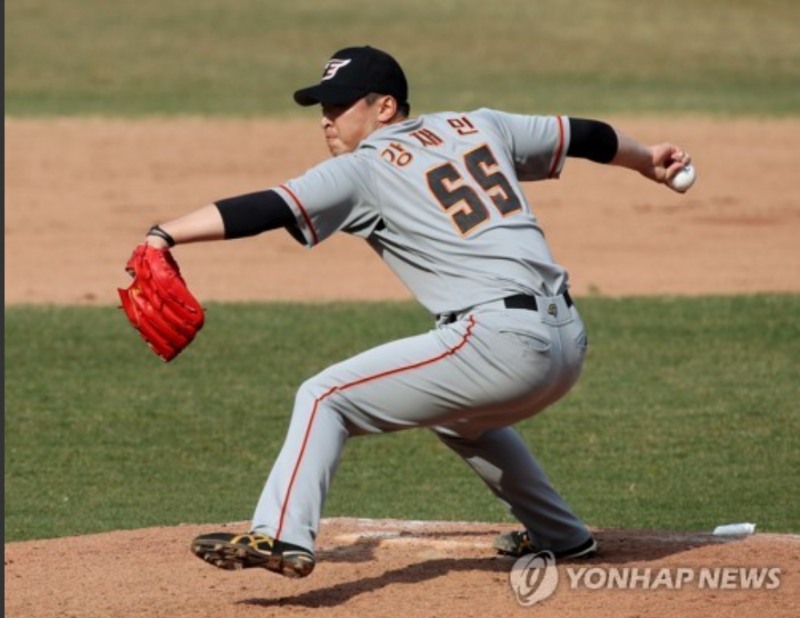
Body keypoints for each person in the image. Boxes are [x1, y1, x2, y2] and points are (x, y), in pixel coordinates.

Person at [139, 46, 692, 579]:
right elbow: (585, 134)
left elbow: (266, 207)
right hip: (567, 340)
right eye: (323, 107)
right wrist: (648, 160)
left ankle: (280, 533)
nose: (328, 119)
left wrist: (166, 234)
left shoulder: (365, 167)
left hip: (500, 342)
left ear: (385, 107)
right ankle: (561, 535)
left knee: (324, 396)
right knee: (460, 418)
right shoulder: (479, 125)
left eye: (340, 105)